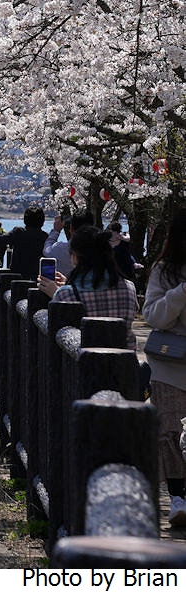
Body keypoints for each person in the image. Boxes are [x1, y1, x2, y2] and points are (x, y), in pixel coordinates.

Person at [142, 209, 186, 527]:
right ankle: (178, 498)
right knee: (168, 432)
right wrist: (181, 292)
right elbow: (154, 316)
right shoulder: (164, 271)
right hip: (170, 363)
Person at [38, 224, 138, 349]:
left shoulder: (66, 294)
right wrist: (68, 286)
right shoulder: (129, 288)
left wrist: (58, 293)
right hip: (124, 363)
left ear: (75, 256)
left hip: (85, 363)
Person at [0, 204, 49, 282]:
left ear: (25, 219)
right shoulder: (45, 237)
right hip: (37, 279)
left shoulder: (19, 232)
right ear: (42, 220)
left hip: (17, 278)